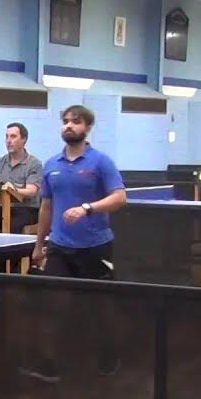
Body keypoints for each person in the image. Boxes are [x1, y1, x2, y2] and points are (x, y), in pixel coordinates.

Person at [32, 105, 127, 280]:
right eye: (66, 121)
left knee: (94, 303)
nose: (69, 125)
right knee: (57, 301)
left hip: (95, 246)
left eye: (76, 122)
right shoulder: (51, 164)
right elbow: (46, 207)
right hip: (58, 246)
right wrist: (39, 245)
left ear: (88, 127)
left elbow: (120, 198)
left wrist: (86, 208)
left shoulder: (101, 161)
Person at [0, 122, 42, 234]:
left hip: (26, 209)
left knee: (7, 230)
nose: (8, 141)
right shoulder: (0, 162)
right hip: (2, 207)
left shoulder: (34, 163)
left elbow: (32, 191)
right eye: (6, 137)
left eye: (13, 136)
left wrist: (12, 189)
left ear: (24, 140)